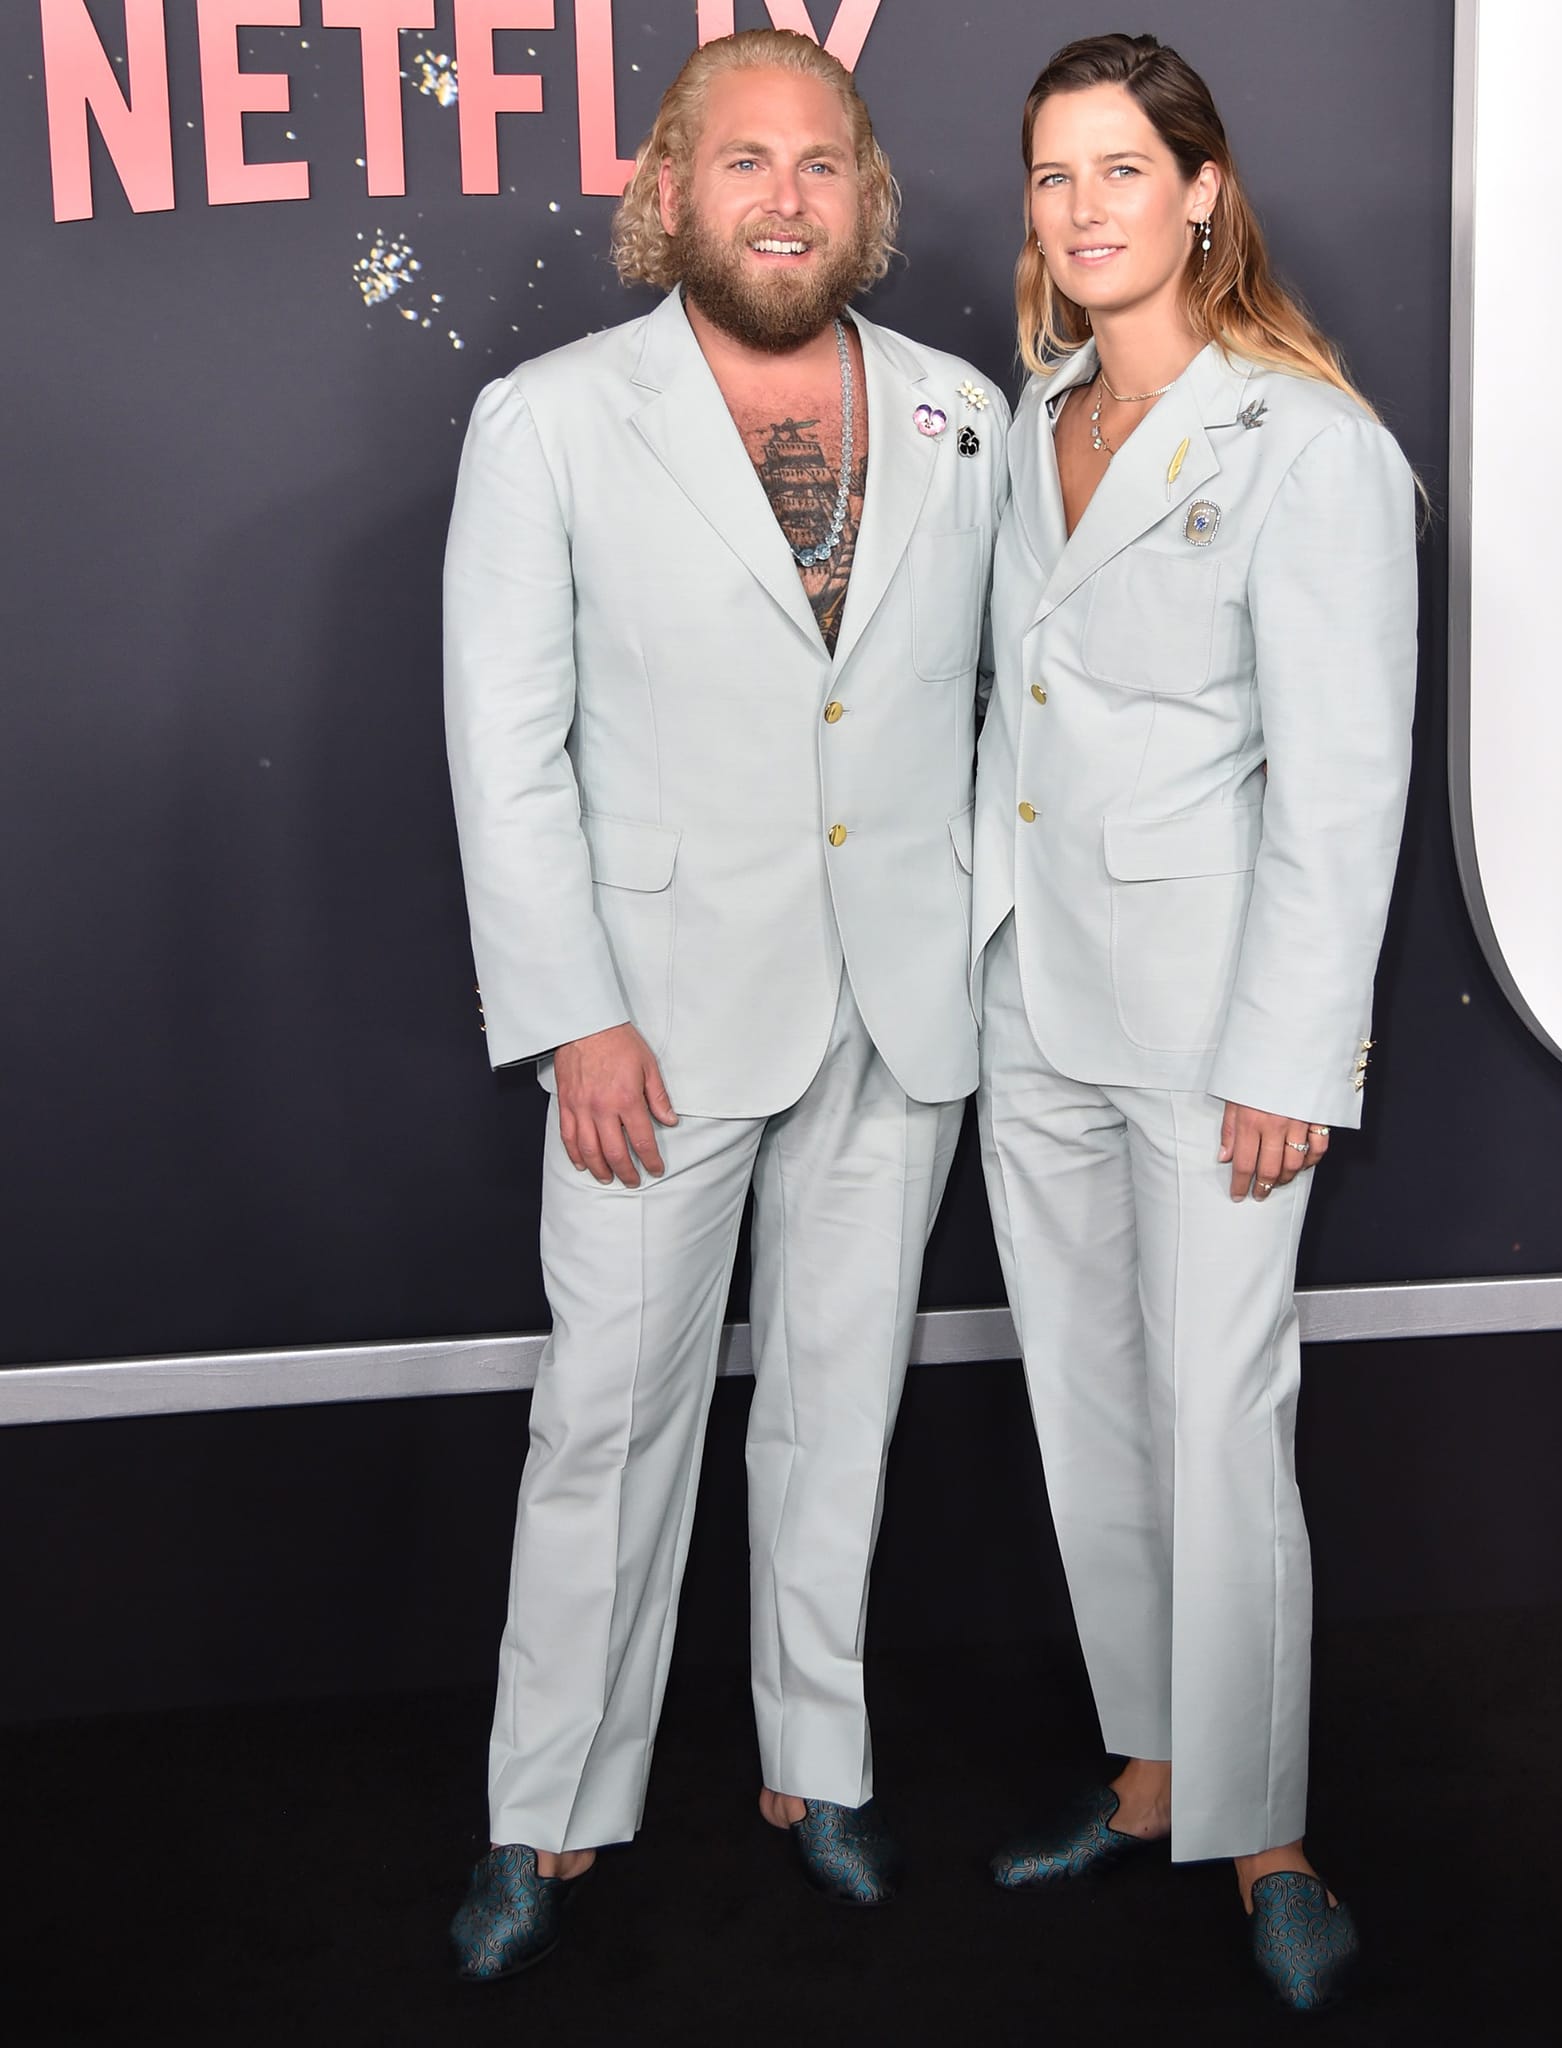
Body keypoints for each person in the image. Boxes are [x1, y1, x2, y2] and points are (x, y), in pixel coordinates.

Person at [442, 28, 1008, 1980]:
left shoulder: (960, 417)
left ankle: (815, 1757)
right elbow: (506, 757)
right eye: (744, 161)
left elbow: (1014, 715)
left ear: (863, 196)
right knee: (604, 1419)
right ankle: (553, 1806)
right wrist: (568, 1013)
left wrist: (990, 945)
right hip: (649, 1028)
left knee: (840, 1402)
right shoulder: (548, 423)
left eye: (821, 163)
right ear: (668, 190)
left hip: (901, 1005)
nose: (786, 196)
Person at [971, 32, 1417, 2013]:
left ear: (1200, 190)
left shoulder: (1304, 445)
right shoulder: (1021, 418)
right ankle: (1149, 1767)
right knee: (1085, 1402)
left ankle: (1268, 1833)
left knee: (1219, 1425)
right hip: (1028, 1003)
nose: (1082, 212)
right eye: (1053, 177)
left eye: (1119, 173)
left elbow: (1341, 784)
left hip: (1212, 1023)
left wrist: (1288, 1057)